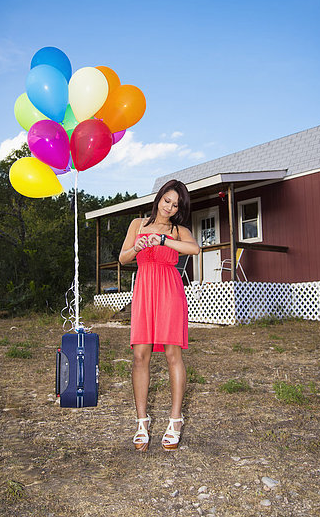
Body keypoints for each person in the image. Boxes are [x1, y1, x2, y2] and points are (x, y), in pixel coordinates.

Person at [119, 179, 200, 452]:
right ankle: (142, 421)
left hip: (169, 291)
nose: (169, 207)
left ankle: (175, 420)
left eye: (176, 205)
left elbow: (195, 249)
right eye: (167, 200)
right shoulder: (137, 225)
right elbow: (122, 258)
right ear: (159, 198)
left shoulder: (179, 230)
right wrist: (139, 247)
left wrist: (165, 239)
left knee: (172, 355)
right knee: (140, 355)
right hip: (144, 291)